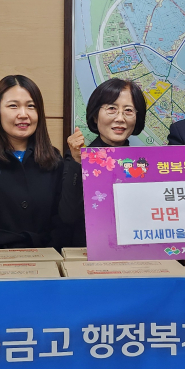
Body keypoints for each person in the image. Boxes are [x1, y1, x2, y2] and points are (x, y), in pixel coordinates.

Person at [0, 74, 74, 249]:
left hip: (41, 255)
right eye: (13, 106)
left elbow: (61, 217)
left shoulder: (52, 157)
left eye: (31, 106)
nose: (23, 114)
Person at [61, 78, 149, 246]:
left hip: (137, 249)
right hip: (89, 251)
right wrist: (78, 162)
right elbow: (68, 216)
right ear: (95, 116)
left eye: (128, 110)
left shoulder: (144, 163)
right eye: (111, 109)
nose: (120, 118)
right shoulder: (76, 158)